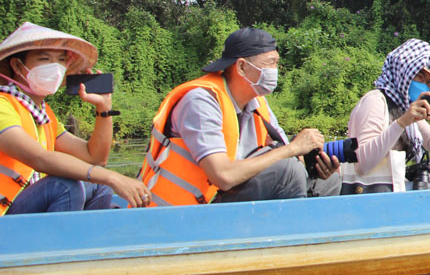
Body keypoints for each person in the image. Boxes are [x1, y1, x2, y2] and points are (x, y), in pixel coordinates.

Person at [139, 27, 341, 205]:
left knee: (327, 181)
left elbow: (286, 155)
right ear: (242, 67)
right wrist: (293, 149)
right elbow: (223, 176)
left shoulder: (257, 102)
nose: (275, 71)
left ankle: (312, 239)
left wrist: (314, 164)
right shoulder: (200, 102)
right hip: (192, 210)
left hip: (229, 197)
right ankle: (289, 240)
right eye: (271, 63)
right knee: (287, 171)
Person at [0, 22, 150, 214]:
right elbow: (39, 158)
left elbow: (94, 157)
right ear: (17, 66)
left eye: (61, 60)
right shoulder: (3, 105)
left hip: (22, 209)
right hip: (5, 218)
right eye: (44, 59)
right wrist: (112, 177)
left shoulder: (44, 116)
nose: (54, 67)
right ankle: (60, 243)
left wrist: (103, 108)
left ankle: (91, 242)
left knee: (98, 187)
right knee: (63, 185)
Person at [343, 38, 430, 192]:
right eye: (419, 77)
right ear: (403, 72)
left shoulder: (403, 106)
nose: (424, 85)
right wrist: (401, 123)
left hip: (395, 181)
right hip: (375, 191)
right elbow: (362, 165)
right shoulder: (375, 101)